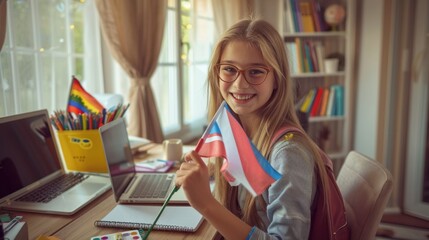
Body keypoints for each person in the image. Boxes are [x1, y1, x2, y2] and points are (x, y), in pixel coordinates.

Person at [175, 19, 349, 240]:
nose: (239, 84)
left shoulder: (288, 153)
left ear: (277, 78)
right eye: (229, 69)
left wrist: (206, 204)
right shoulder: (238, 132)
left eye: (256, 72)